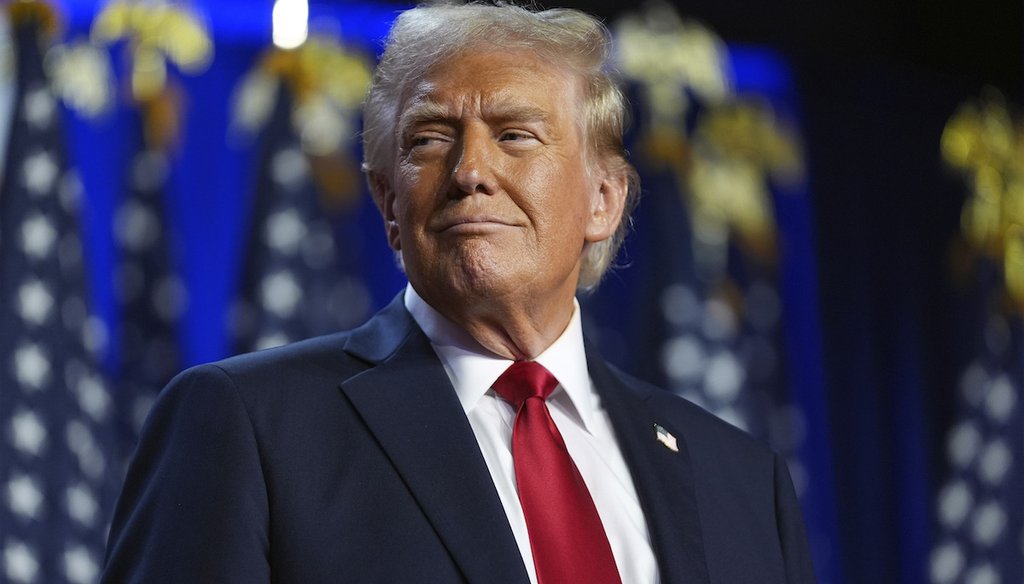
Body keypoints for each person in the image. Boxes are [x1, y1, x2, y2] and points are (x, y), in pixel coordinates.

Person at [101, 4, 815, 583]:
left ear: (603, 199)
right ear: (388, 203)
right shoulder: (248, 426)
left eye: (515, 135)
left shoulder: (740, 480)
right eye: (430, 139)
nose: (471, 170)